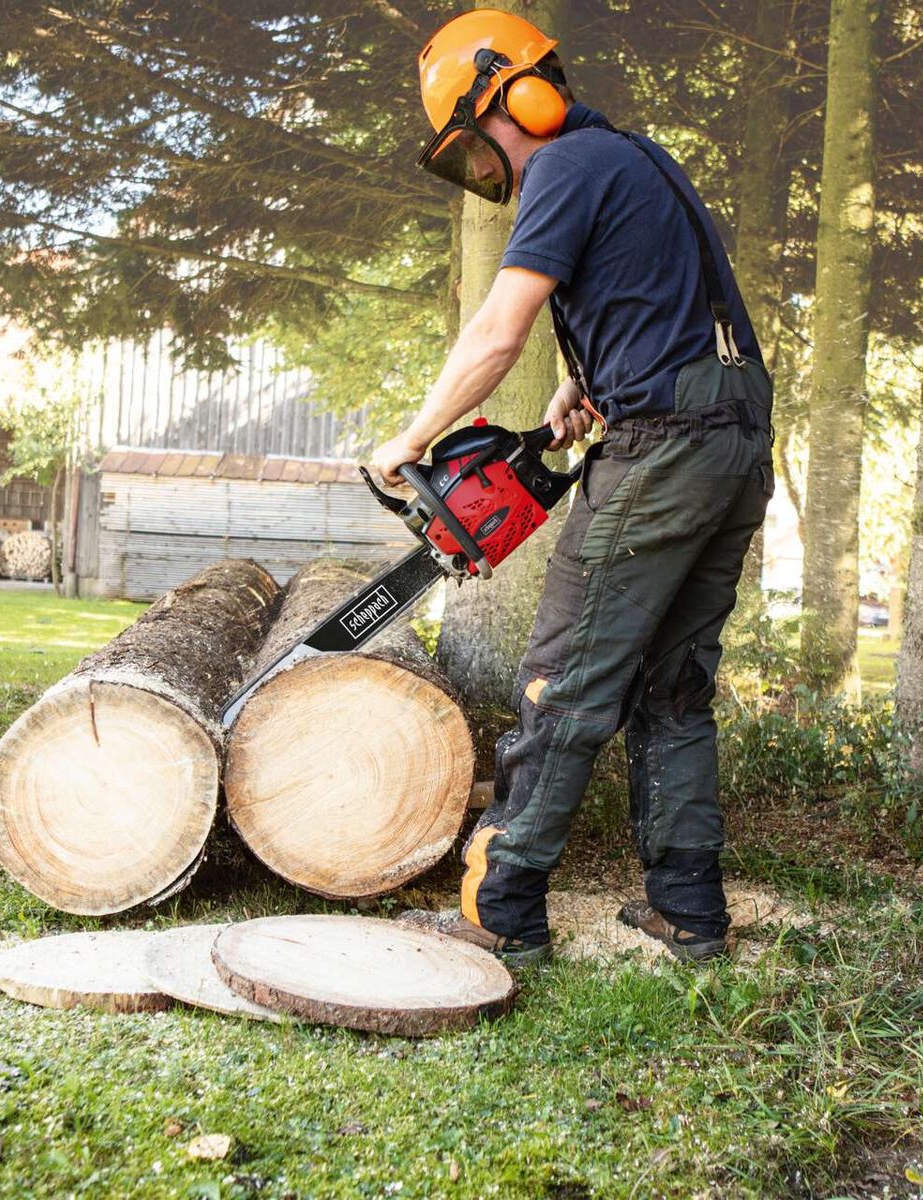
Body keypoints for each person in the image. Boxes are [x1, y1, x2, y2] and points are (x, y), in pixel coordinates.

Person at [372, 8, 775, 966]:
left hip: (665, 453)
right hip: (736, 442)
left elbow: (497, 329)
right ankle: (688, 910)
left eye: (479, 142)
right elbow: (672, 303)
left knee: (564, 681)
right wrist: (591, 384)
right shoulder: (636, 160)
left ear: (513, 95)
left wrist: (414, 437)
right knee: (672, 687)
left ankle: (498, 914)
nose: (489, 166)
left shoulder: (561, 163)